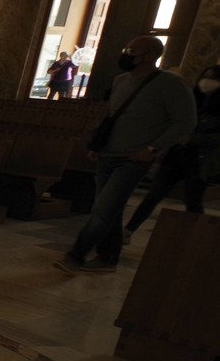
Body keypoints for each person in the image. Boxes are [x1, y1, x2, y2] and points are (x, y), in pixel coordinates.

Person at [57, 35, 198, 273]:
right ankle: (108, 258)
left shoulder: (171, 84)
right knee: (112, 209)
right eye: (127, 48)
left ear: (150, 56)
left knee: (103, 210)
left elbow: (185, 121)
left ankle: (76, 255)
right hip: (108, 155)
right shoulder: (121, 80)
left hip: (133, 159)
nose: (127, 54)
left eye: (133, 51)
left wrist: (153, 148)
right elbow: (112, 117)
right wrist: (98, 146)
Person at [124, 62, 220, 235]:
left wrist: (194, 139)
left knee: (193, 200)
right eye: (206, 77)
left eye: (213, 78)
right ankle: (129, 230)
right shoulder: (193, 100)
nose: (207, 81)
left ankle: (197, 236)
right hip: (177, 156)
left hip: (200, 160)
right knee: (153, 195)